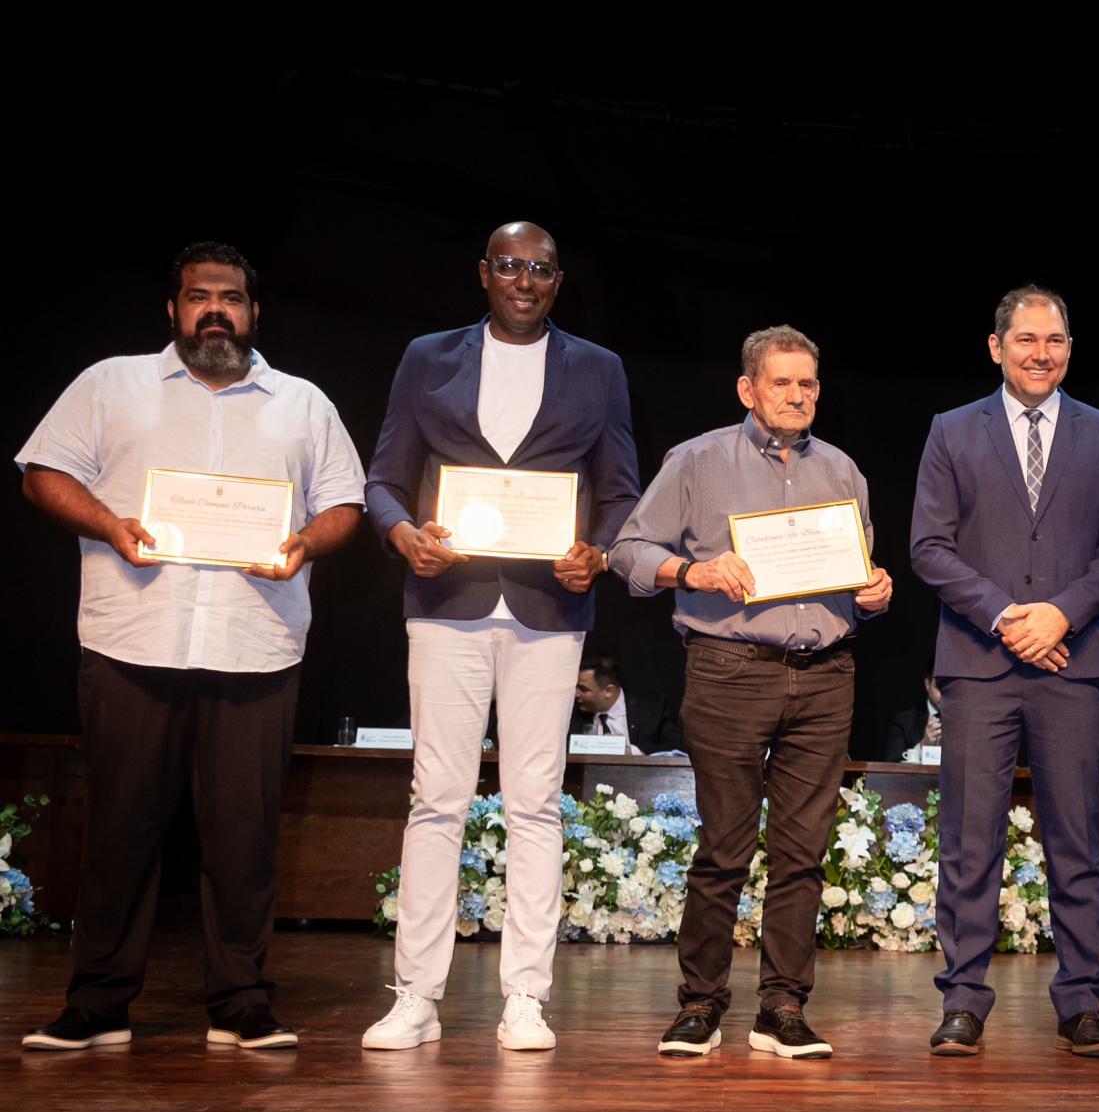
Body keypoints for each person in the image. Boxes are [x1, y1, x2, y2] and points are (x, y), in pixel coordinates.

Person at [17, 242, 365, 1051]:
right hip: (133, 638)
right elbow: (41, 472)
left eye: (232, 298)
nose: (216, 310)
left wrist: (304, 543)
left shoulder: (303, 403)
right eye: (199, 296)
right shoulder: (111, 384)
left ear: (253, 312)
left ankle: (240, 1000)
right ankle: (98, 1003)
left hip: (256, 645)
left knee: (243, 834)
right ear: (172, 310)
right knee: (120, 829)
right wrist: (111, 524)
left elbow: (344, 503)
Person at [359, 222, 641, 1052]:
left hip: (551, 610)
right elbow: (383, 479)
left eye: (541, 269)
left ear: (558, 281)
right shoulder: (427, 356)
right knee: (436, 799)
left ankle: (526, 996)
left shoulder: (599, 368)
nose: (525, 279)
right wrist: (402, 533)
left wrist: (600, 550)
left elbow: (622, 491)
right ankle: (415, 994)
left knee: (536, 806)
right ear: (484, 274)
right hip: (445, 602)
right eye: (510, 266)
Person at [611, 325, 891, 1060]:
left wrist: (876, 592)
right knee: (725, 845)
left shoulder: (842, 470)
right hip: (729, 670)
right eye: (781, 383)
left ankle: (783, 1008)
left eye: (808, 384)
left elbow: (856, 570)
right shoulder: (699, 459)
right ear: (748, 389)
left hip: (826, 674)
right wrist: (691, 572)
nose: (797, 396)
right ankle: (700, 1002)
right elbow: (628, 550)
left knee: (802, 852)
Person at [911, 285, 1099, 1059]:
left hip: (1072, 661)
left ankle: (1081, 1001)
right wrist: (1011, 615)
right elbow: (929, 548)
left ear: (1069, 349)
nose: (1041, 353)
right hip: (979, 662)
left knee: (1075, 836)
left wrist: (1059, 614)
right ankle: (964, 1000)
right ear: (995, 345)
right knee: (969, 838)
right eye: (1026, 339)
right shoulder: (951, 430)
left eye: (1055, 341)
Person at [569, 654, 683, 754]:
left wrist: (631, 751)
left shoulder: (653, 710)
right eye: (575, 687)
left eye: (583, 689)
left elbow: (677, 746)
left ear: (609, 691)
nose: (576, 694)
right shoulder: (571, 714)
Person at [884, 666, 944, 760]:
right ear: (927, 684)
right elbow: (893, 765)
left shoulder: (964, 721)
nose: (943, 694)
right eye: (938, 687)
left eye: (949, 688)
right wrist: (922, 746)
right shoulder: (903, 721)